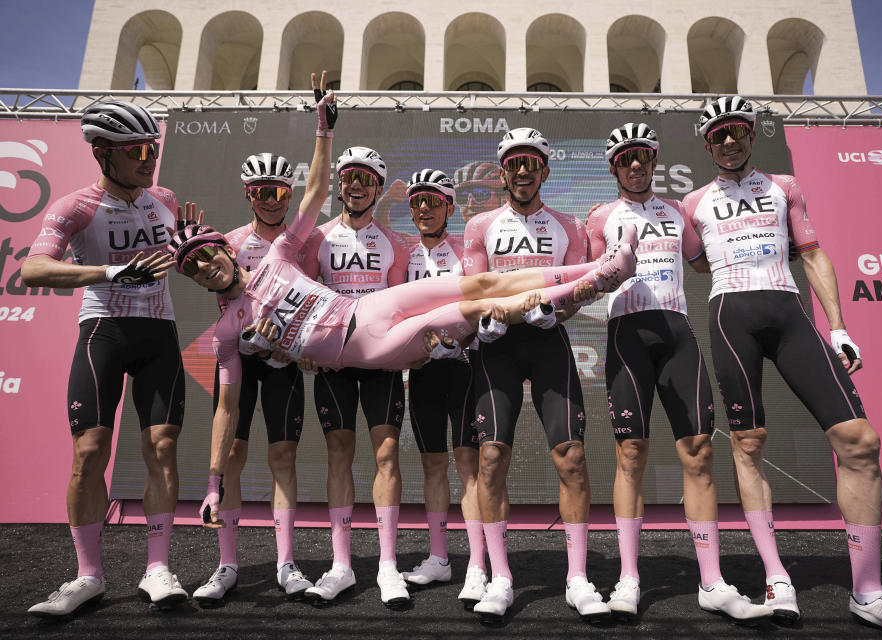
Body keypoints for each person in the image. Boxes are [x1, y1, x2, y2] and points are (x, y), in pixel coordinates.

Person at [171, 92, 638, 613]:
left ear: (225, 251)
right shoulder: (227, 333)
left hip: (367, 311)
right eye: (195, 268)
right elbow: (226, 410)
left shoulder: (279, 255)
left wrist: (323, 132)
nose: (208, 267)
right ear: (195, 280)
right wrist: (212, 483)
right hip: (366, 350)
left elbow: (315, 191)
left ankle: (601, 273)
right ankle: (588, 283)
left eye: (211, 255)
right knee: (460, 316)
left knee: (479, 285)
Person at [683, 95, 882, 638]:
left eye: (737, 129)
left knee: (860, 442)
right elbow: (696, 264)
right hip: (730, 316)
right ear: (706, 143)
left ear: (752, 132)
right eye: (718, 134)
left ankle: (870, 592)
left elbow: (812, 254)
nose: (729, 140)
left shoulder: (785, 186)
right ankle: (776, 576)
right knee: (749, 444)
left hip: (789, 312)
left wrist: (839, 327)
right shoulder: (693, 202)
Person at [587, 123, 772, 622]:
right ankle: (628, 578)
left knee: (699, 451)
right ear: (613, 167)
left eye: (643, 156)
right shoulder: (600, 216)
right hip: (627, 335)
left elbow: (700, 261)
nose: (634, 164)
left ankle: (712, 581)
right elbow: (587, 280)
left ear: (652, 161)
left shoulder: (677, 211)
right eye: (625, 158)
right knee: (630, 453)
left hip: (676, 334)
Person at [23, 101, 187, 616]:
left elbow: (180, 255)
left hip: (159, 332)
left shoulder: (165, 199)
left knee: (162, 447)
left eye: (153, 149)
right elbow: (33, 269)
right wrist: (111, 273)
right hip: (105, 331)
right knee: (91, 452)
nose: (148, 159)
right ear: (102, 154)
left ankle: (158, 569)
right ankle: (87, 576)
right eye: (137, 151)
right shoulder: (76, 206)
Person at [463, 128, 612, 624]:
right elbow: (472, 291)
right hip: (496, 347)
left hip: (549, 340)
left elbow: (580, 288)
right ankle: (501, 577)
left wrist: (559, 313)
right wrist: (483, 321)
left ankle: (577, 578)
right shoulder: (480, 224)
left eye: (532, 164)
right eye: (514, 165)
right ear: (502, 173)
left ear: (544, 171)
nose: (523, 172)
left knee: (571, 458)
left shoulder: (569, 225)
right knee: (490, 459)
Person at [191, 152, 319, 606]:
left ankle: (285, 563)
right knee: (234, 456)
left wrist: (297, 346)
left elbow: (315, 297)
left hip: (284, 358)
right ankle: (227, 565)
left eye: (280, 192)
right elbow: (220, 299)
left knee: (283, 456)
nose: (271, 200)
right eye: (261, 193)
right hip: (239, 357)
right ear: (248, 194)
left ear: (290, 193)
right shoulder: (230, 241)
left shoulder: (304, 238)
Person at [302, 142, 413, 610]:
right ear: (340, 184)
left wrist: (404, 357)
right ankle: (341, 566)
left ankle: (388, 566)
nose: (355, 185)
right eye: (348, 177)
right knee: (339, 453)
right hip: (335, 363)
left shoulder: (395, 244)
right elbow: (303, 299)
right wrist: (306, 348)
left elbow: (404, 308)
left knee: (387, 454)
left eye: (365, 179)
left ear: (378, 188)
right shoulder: (317, 240)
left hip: (381, 362)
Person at [397, 169, 487, 609]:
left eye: (433, 201)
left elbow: (480, 302)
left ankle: (477, 565)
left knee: (468, 464)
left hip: (465, 367)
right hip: (423, 371)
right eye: (417, 202)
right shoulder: (403, 256)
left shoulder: (467, 252)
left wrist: (462, 336)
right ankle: (438, 557)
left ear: (450, 207)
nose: (424, 209)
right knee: (432, 464)